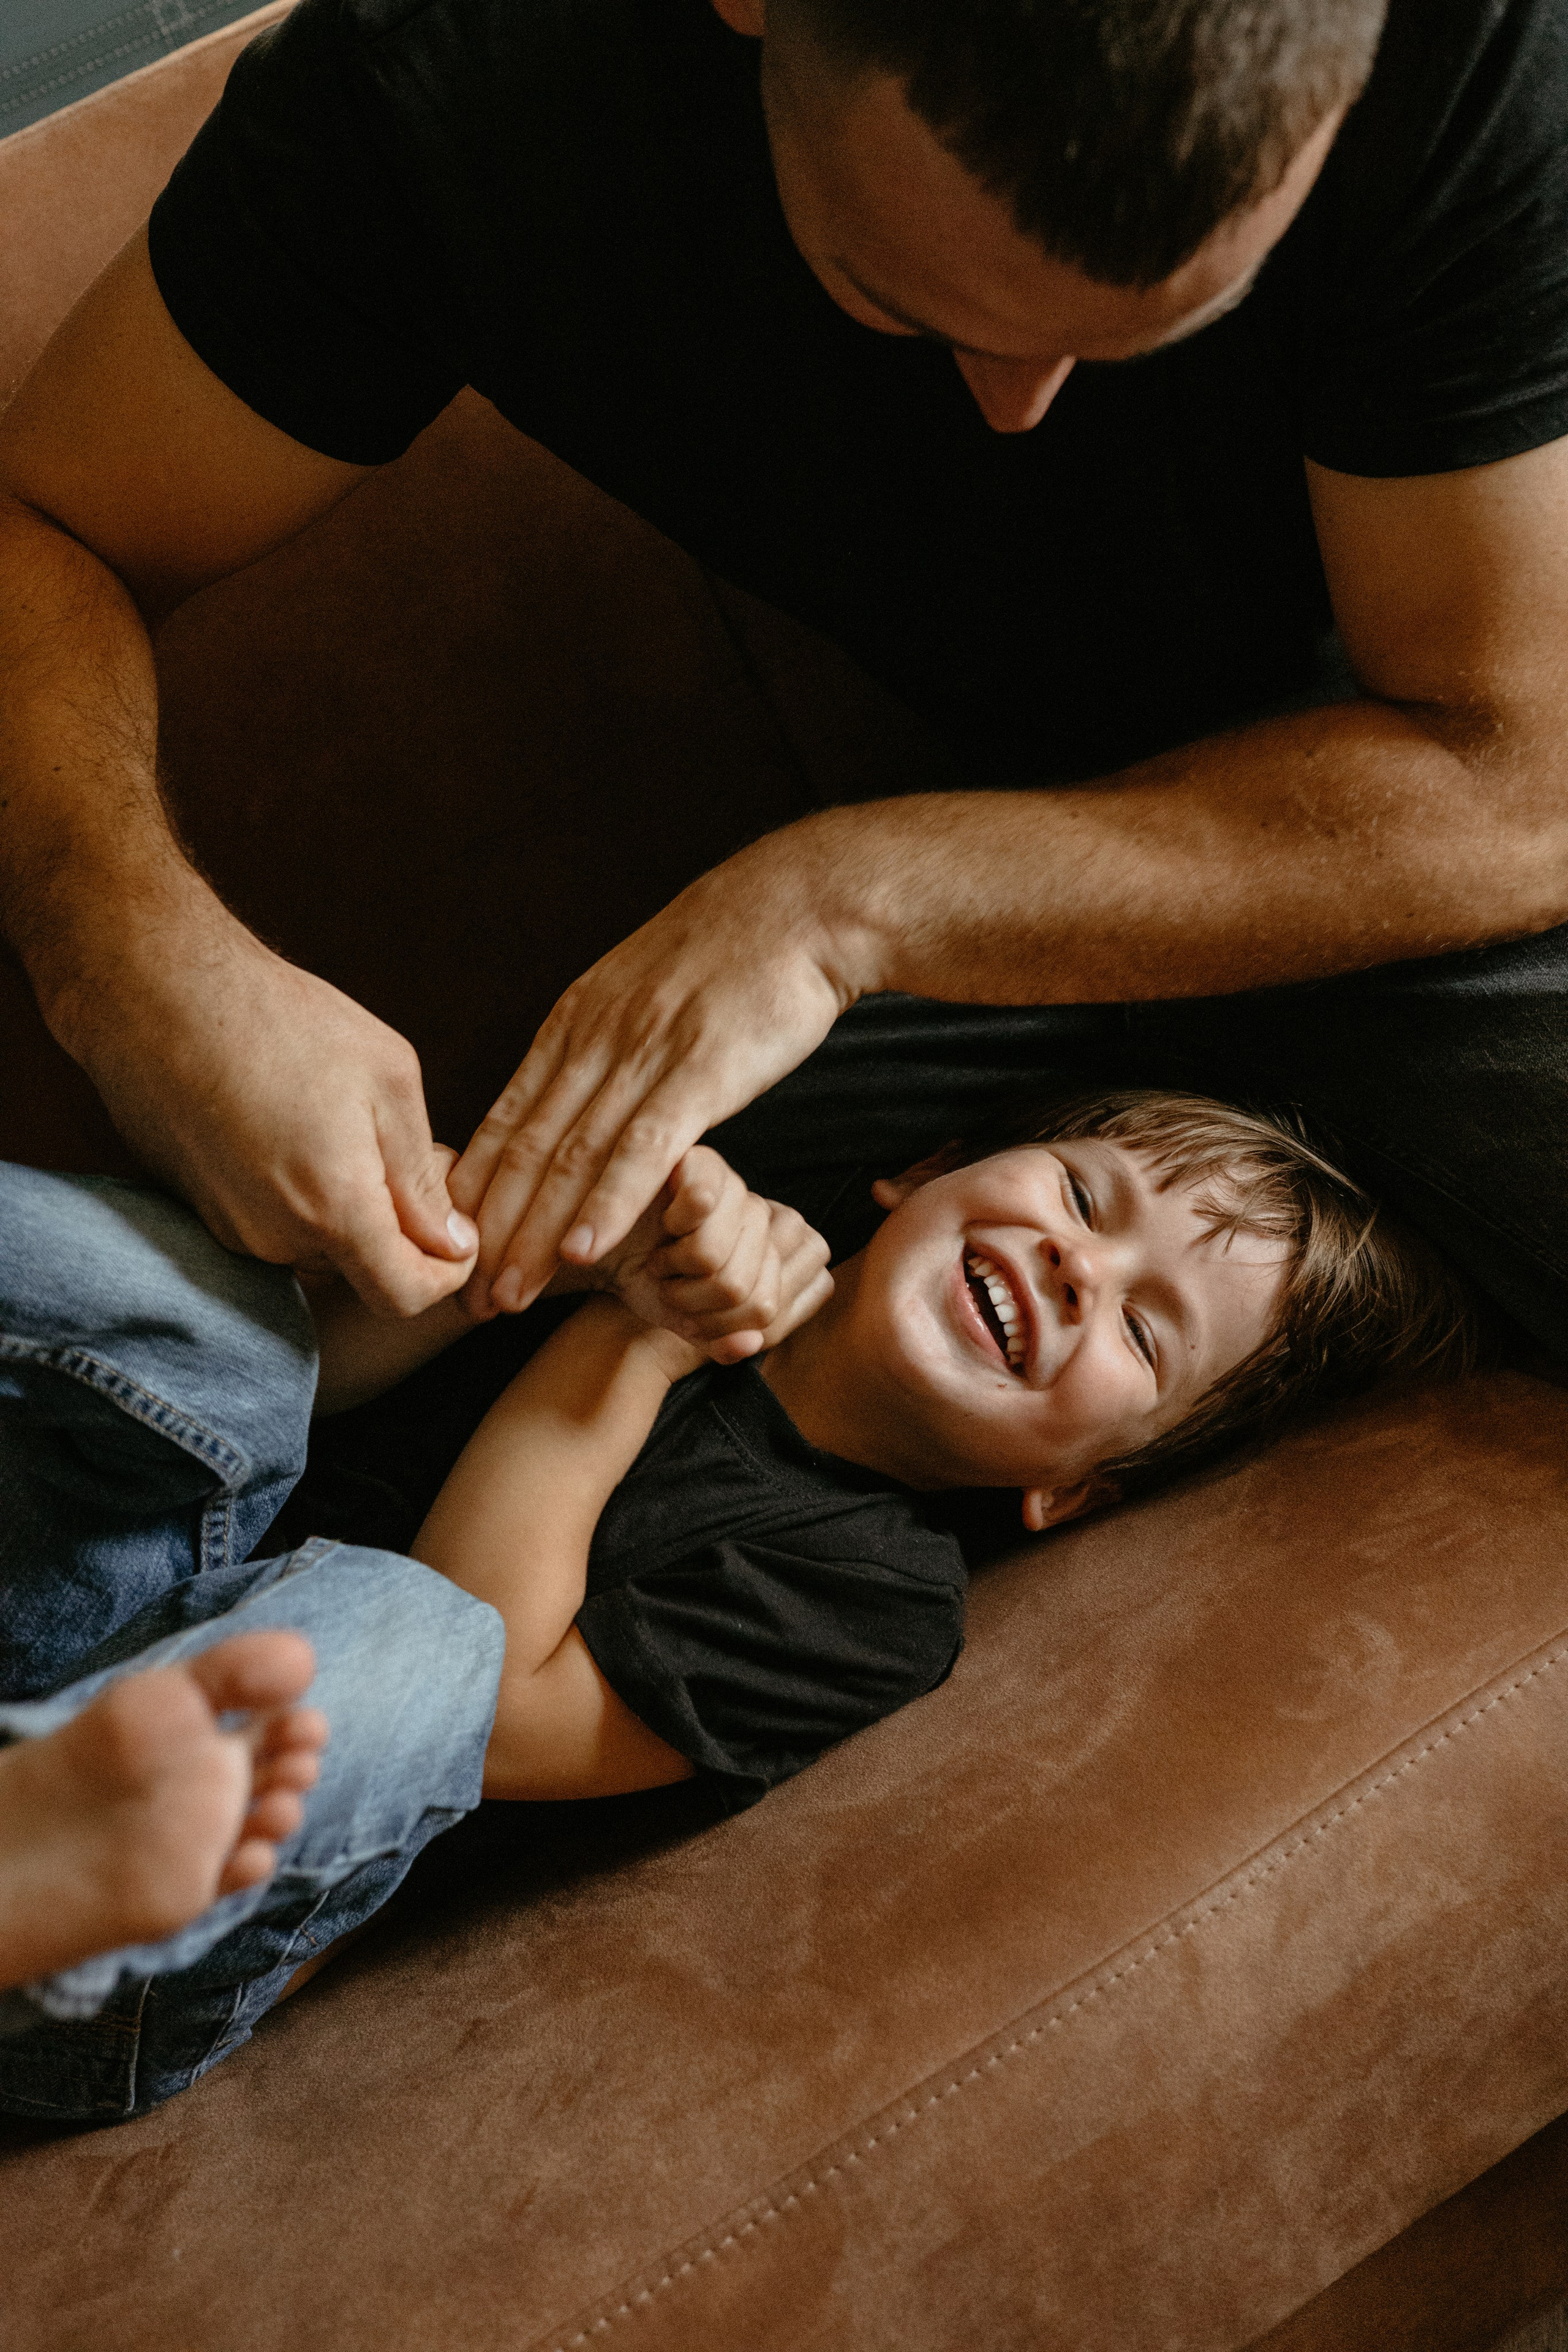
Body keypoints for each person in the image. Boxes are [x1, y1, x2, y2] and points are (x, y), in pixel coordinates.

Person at [1, 0, 1566, 1366]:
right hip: (1036, 907)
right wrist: (129, 961)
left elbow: (1521, 784)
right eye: (901, 296)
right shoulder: (445, 96)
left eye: (1156, 331)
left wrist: (838, 905)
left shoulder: (1465, 48)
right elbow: (39, 524)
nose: (1022, 414)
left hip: (1423, 809)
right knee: (573, 1254)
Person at [0, 1087, 1479, 2117]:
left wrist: (640, 1341)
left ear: (1075, 1492)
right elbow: (270, 1401)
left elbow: (488, 1698)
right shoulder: (691, 1225)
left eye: (1146, 1334)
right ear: (927, 1167)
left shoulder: (874, 1601)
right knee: (233, 1334)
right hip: (78, 1605)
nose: (1077, 1268)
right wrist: (558, 1249)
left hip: (139, 1935)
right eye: (1084, 1198)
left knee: (418, 1642)